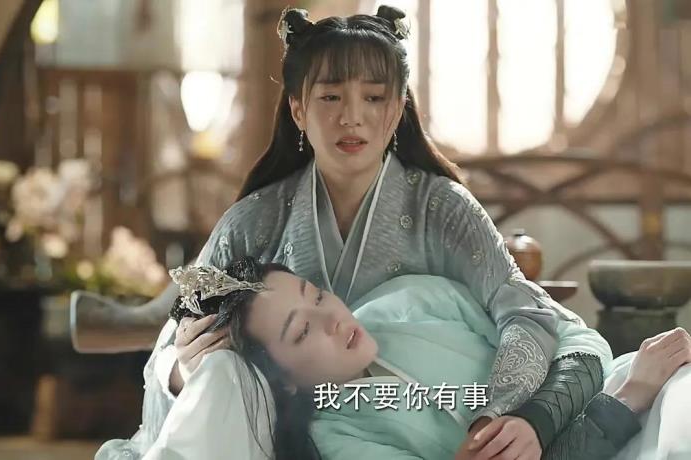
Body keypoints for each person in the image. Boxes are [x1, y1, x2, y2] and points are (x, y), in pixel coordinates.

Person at [98, 5, 622, 459]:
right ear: (298, 109)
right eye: (330, 98)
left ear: (397, 109)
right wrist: (183, 372)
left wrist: (497, 416)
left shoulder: (442, 207)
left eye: (373, 98)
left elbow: (527, 313)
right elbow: (175, 346)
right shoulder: (253, 220)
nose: (353, 118)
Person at [124, 258, 691, 460]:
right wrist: (625, 401)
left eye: (316, 295)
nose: (332, 318)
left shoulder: (416, 297)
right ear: (285, 383)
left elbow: (574, 337)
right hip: (612, 420)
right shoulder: (339, 440)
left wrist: (535, 417)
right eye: (303, 331)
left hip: (616, 392)